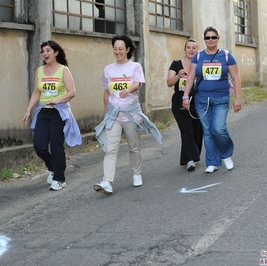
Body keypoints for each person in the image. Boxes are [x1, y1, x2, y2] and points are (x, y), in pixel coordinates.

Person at [94, 35, 162, 195]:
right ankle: (107, 182)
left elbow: (138, 83)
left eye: (120, 49)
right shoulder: (108, 69)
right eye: (115, 49)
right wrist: (106, 114)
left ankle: (137, 173)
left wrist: (129, 90)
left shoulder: (135, 67)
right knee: (110, 149)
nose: (117, 52)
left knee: (134, 146)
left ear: (127, 49)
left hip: (131, 113)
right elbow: (106, 92)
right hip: (114, 115)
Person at [22, 40, 82, 191]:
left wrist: (57, 100)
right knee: (39, 145)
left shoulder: (63, 70)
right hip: (43, 111)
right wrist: (29, 110)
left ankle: (60, 179)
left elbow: (72, 92)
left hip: (59, 112)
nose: (45, 54)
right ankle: (52, 166)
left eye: (48, 50)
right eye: (43, 51)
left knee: (56, 145)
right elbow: (37, 92)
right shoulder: (39, 71)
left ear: (55, 52)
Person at [182, 26, 242, 174]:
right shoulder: (198, 56)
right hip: (202, 99)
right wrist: (185, 96)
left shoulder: (227, 56)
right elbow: (190, 77)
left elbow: (236, 77)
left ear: (217, 39)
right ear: (204, 40)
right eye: (207, 37)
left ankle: (226, 154)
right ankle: (212, 162)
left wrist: (238, 98)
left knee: (218, 129)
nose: (210, 40)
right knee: (208, 132)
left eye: (213, 37)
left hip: (221, 98)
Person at [166, 39, 203, 171]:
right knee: (186, 130)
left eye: (194, 48)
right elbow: (169, 82)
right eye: (189, 47)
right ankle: (191, 159)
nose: (191, 50)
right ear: (184, 49)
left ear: (197, 50)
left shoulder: (200, 64)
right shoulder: (176, 64)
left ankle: (189, 157)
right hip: (179, 103)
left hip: (197, 102)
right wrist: (178, 76)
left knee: (198, 131)